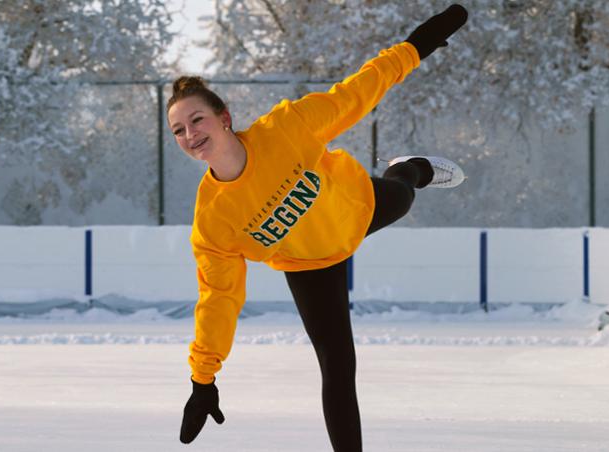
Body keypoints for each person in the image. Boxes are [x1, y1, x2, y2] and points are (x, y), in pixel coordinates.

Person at [168, 5, 469, 450]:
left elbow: (358, 92)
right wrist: (203, 379)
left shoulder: (286, 128)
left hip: (356, 207)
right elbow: (218, 298)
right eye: (178, 130)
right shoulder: (213, 221)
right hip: (309, 263)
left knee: (403, 196)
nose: (190, 134)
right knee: (337, 365)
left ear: (224, 117)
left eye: (197, 120)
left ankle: (411, 168)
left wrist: (415, 47)